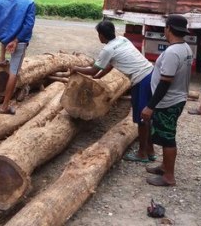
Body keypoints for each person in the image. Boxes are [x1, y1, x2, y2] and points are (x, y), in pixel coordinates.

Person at [72, 20, 156, 162]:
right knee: (147, 117)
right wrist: (97, 77)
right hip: (151, 74)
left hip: (141, 80)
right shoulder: (122, 40)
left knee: (142, 119)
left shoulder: (108, 49)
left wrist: (76, 68)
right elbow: (110, 65)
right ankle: (150, 150)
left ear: (101, 35)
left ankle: (142, 154)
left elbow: (93, 69)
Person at [141, 14, 193, 187]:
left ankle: (169, 177)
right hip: (176, 98)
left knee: (168, 138)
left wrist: (150, 106)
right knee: (165, 136)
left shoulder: (172, 52)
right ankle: (164, 166)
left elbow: (165, 82)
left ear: (168, 28)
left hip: (169, 101)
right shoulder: (185, 47)